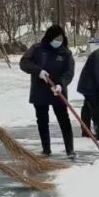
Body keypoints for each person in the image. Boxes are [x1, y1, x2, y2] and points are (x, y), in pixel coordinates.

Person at [20, 24, 75, 157]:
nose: (59, 41)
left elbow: (69, 72)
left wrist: (61, 84)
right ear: (50, 37)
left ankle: (70, 149)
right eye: (56, 38)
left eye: (61, 38)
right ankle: (46, 149)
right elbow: (24, 63)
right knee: (42, 120)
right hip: (40, 91)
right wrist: (38, 71)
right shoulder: (37, 49)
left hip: (58, 91)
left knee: (64, 119)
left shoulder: (65, 53)